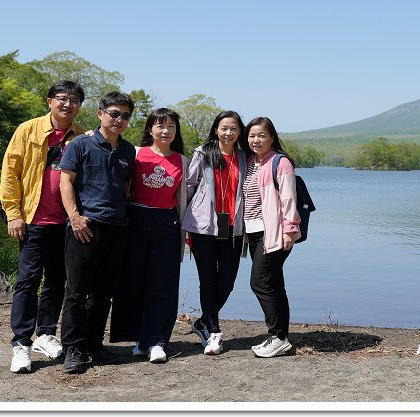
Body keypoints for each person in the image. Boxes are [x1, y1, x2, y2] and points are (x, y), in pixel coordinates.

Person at [0, 81, 85, 373]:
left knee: (56, 281)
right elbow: (10, 173)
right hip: (33, 219)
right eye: (62, 98)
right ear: (49, 101)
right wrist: (13, 213)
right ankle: (21, 343)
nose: (68, 104)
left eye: (74, 100)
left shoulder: (83, 135)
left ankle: (46, 333)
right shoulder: (28, 129)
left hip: (65, 223)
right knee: (27, 281)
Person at [58, 91, 136, 374]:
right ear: (101, 113)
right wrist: (75, 218)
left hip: (116, 229)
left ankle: (94, 344)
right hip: (85, 227)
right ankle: (73, 349)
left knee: (104, 293)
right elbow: (65, 182)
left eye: (125, 116)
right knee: (77, 292)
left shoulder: (128, 151)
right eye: (114, 113)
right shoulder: (80, 144)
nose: (119, 120)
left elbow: (126, 187)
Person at [109, 108, 189, 363]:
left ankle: (157, 341)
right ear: (150, 129)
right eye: (160, 126)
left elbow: (181, 203)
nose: (165, 131)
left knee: (163, 283)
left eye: (171, 127)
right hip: (135, 218)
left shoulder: (181, 161)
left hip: (166, 222)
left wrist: (183, 239)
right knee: (133, 282)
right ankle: (138, 339)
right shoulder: (135, 153)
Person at [181, 111, 247, 356]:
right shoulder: (203, 152)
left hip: (233, 227)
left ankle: (201, 323)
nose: (228, 132)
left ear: (239, 132)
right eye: (224, 128)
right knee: (207, 280)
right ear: (216, 130)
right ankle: (213, 331)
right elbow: (189, 186)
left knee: (227, 281)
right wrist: (187, 220)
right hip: (203, 226)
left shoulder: (243, 156)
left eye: (233, 128)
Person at [242, 116, 301, 358]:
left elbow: (288, 199)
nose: (256, 140)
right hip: (254, 232)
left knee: (261, 282)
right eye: (252, 135)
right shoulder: (251, 161)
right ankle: (281, 338)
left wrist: (290, 229)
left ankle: (277, 336)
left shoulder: (280, 162)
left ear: (272, 138)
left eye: (261, 135)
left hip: (275, 233)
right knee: (275, 284)